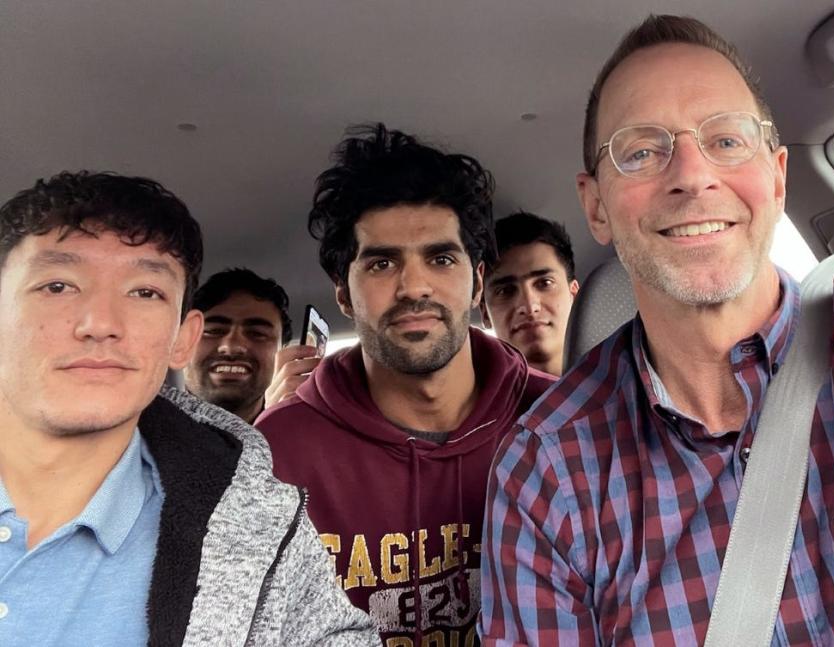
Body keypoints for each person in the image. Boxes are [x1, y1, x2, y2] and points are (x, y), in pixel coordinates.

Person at [480, 14, 834, 645]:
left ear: (779, 175)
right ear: (596, 205)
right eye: (642, 151)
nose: (691, 174)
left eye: (727, 140)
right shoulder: (545, 474)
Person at [0, 171, 378, 646]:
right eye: (57, 285)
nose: (99, 323)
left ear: (182, 338)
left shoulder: (265, 521)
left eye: (144, 292)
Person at [257, 124, 554, 646]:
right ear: (343, 295)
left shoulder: (558, 419)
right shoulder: (277, 456)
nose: (414, 286)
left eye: (440, 259)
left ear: (477, 282)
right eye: (381, 262)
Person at [183, 267, 293, 423]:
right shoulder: (139, 428)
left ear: (283, 351)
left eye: (257, 334)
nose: (232, 346)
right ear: (182, 342)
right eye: (214, 331)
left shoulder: (302, 434)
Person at [481, 211, 579, 376]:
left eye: (545, 283)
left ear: (575, 296)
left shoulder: (624, 383)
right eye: (505, 290)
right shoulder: (476, 399)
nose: (529, 306)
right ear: (484, 314)